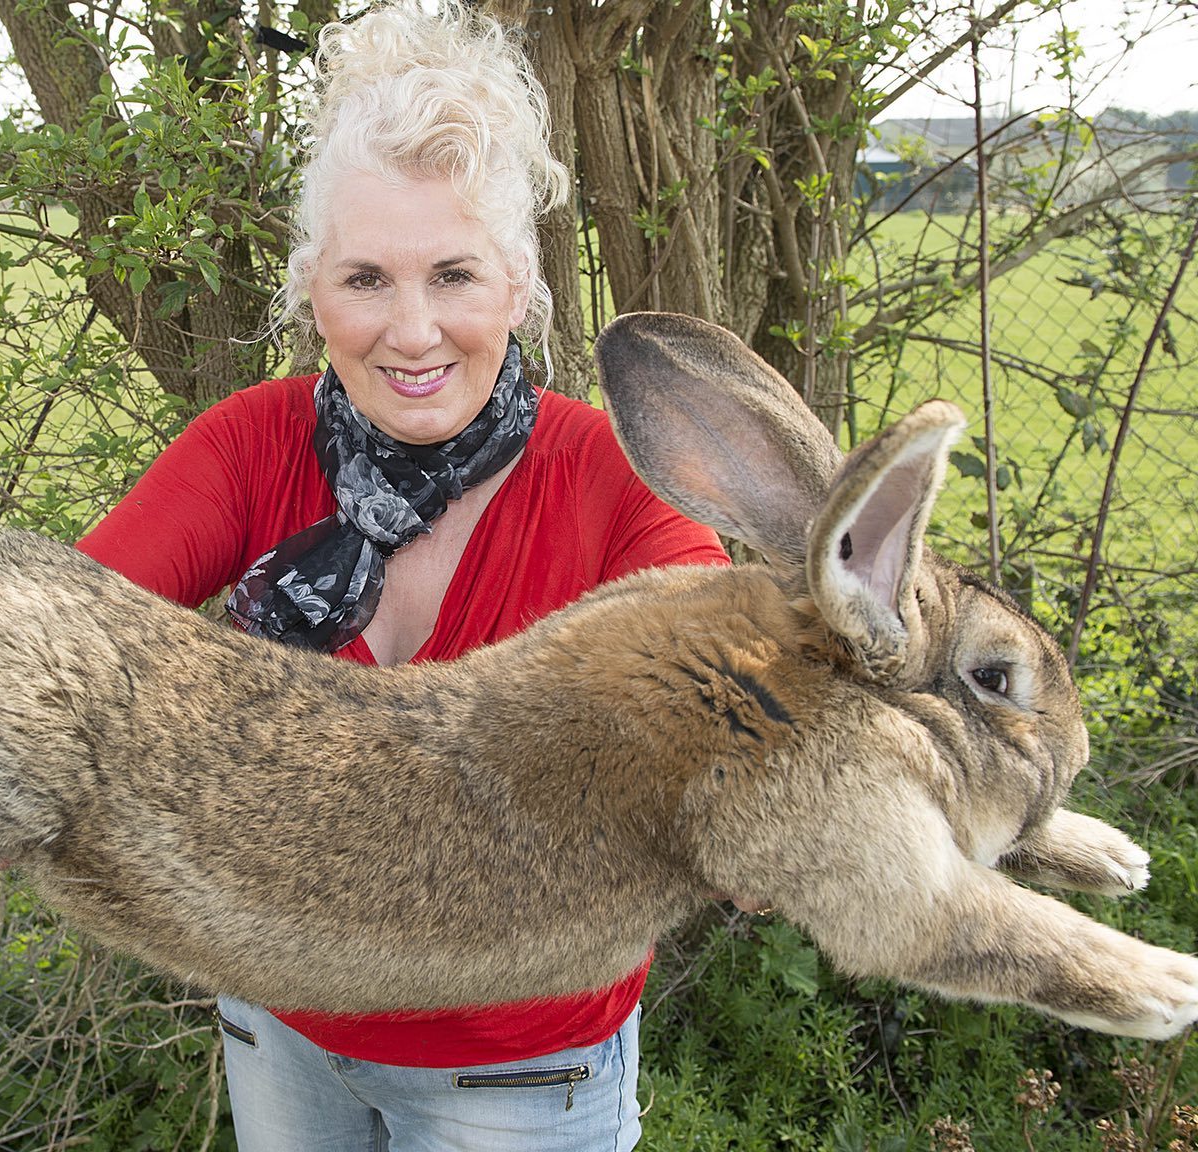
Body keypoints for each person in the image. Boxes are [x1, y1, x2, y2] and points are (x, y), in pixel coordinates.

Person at [64, 5, 730, 1148]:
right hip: (281, 1022)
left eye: (455, 275)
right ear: (311, 289)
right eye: (367, 279)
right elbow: (48, 637)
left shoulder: (614, 483)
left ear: (518, 288)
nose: (412, 333)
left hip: (520, 1074)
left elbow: (727, 699)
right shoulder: (250, 446)